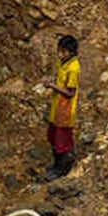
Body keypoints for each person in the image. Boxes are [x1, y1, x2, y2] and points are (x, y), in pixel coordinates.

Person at [41, 34, 80, 180]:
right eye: (59, 51)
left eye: (63, 52)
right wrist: (52, 80)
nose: (60, 54)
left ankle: (63, 169)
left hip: (65, 109)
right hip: (57, 106)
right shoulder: (63, 63)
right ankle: (56, 164)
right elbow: (60, 80)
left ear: (72, 52)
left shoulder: (74, 69)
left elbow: (70, 92)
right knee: (53, 136)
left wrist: (52, 86)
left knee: (62, 139)